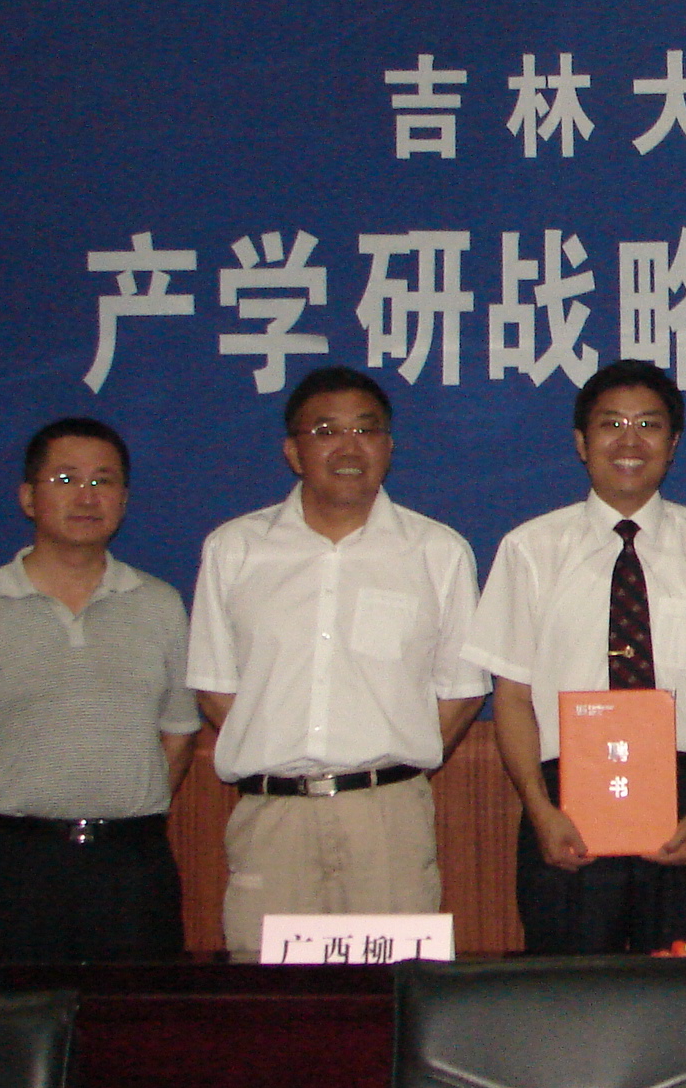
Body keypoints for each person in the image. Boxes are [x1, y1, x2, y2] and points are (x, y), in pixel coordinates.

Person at [187, 366, 486, 959]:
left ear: (389, 447)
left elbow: (461, 690)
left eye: (366, 430)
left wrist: (387, 761)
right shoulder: (235, 549)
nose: (349, 447)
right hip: (274, 818)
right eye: (326, 431)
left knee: (394, 991)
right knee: (270, 995)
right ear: (293, 452)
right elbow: (215, 687)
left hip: (387, 818)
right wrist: (282, 749)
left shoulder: (437, 551)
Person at [465, 359, 686, 953]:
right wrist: (541, 810)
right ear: (581, 442)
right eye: (611, 424)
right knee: (570, 989)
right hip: (566, 803)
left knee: (678, 989)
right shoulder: (530, 549)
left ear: (673, 444)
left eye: (648, 425)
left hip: (679, 802)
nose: (630, 440)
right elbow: (512, 697)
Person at [0, 417, 198, 989]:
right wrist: (10, 834)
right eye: (66, 479)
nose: (86, 496)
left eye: (103, 481)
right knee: (11, 1028)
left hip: (131, 866)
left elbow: (178, 735)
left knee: (132, 1028)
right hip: (12, 869)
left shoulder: (160, 605)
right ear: (28, 498)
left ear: (124, 499)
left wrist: (119, 813)